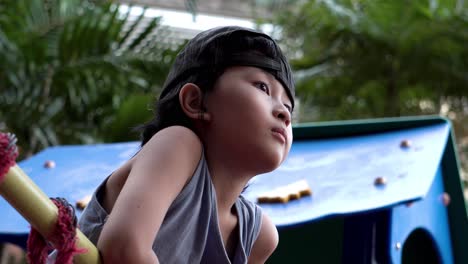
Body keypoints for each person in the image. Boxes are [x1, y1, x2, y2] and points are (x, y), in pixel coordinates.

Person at [78, 26, 295, 263]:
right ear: (196, 102)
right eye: (262, 87)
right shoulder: (178, 145)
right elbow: (123, 249)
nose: (284, 112)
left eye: (289, 106)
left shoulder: (258, 235)